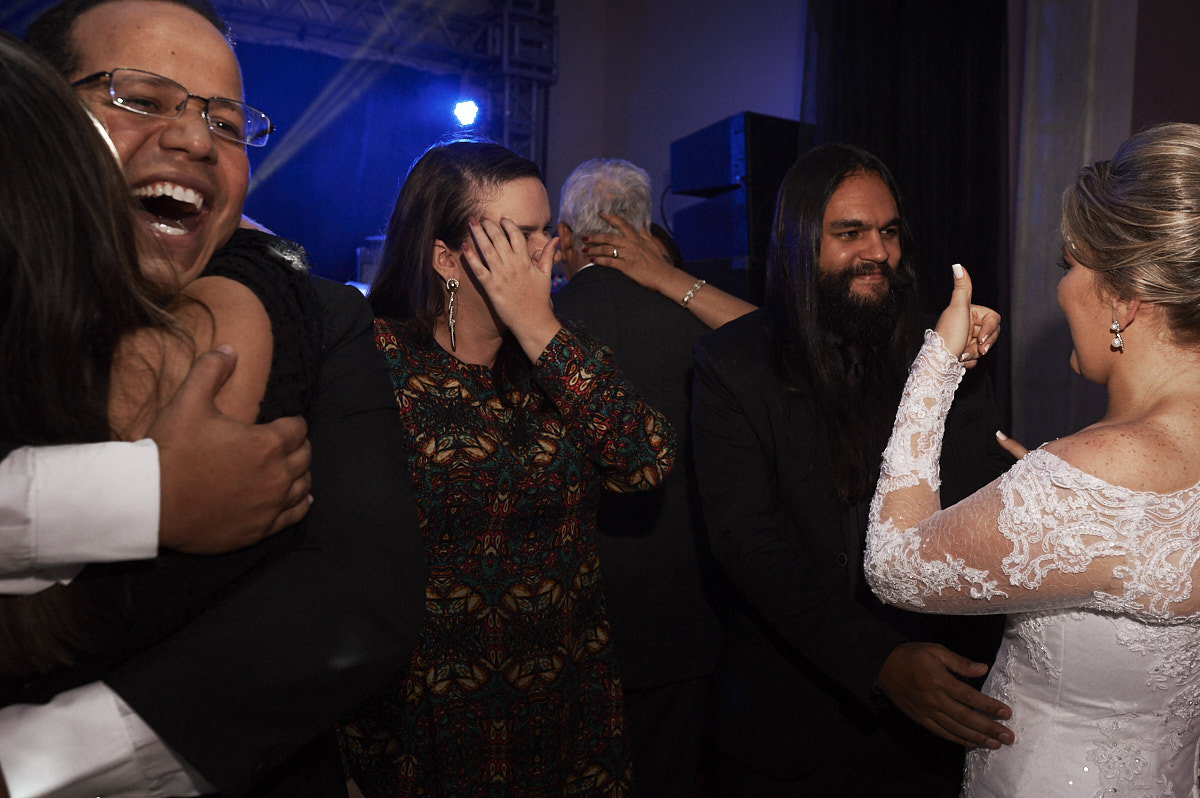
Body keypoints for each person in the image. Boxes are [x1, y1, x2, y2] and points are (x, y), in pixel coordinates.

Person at [1, 2, 425, 795]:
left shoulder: (323, 319)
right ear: (38, 123)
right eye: (140, 99)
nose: (196, 138)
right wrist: (145, 497)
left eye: (226, 125)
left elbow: (359, 602)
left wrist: (29, 767)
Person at [865, 122, 1200, 796]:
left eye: (1070, 263)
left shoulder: (1092, 479)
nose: (1062, 286)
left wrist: (937, 366)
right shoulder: (1093, 480)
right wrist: (1051, 495)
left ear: (1125, 295)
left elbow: (893, 566)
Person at [337, 138, 675, 797]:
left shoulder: (563, 355)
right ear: (444, 257)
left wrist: (538, 328)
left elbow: (645, 462)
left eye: (545, 229)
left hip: (565, 692)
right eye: (518, 236)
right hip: (429, 702)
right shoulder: (377, 361)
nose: (547, 252)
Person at [690, 143, 1015, 796]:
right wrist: (880, 660)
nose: (878, 251)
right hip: (787, 726)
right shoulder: (733, 363)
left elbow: (981, 511)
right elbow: (748, 545)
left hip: (930, 731)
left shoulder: (946, 351)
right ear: (800, 242)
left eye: (889, 231)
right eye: (850, 233)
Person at [551, 157, 747, 797]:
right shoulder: (704, 327)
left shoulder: (535, 327)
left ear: (563, 236)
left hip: (564, 614)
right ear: (643, 228)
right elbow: (781, 348)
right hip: (682, 609)